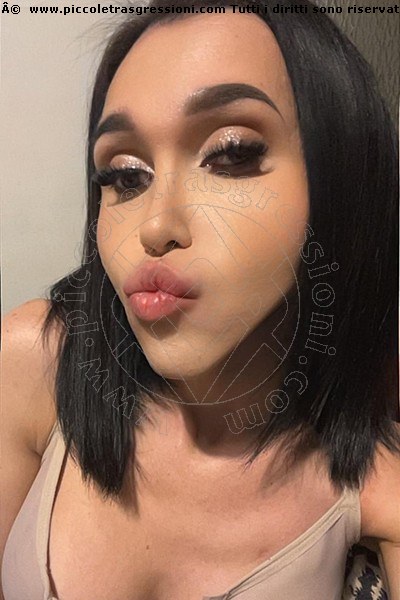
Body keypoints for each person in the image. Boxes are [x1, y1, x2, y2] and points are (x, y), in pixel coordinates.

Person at [1, 0, 399, 599]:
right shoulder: (34, 360)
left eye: (231, 153)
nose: (155, 225)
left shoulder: (375, 483)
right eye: (125, 175)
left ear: (342, 180)